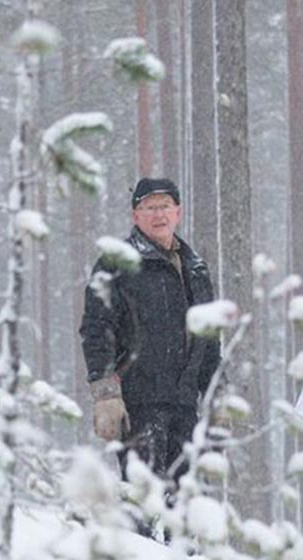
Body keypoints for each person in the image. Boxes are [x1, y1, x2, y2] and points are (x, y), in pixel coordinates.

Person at [80, 178, 218, 487]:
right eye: (149, 207)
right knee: (144, 502)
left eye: (165, 206)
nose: (159, 215)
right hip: (138, 404)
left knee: (183, 506)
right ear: (135, 215)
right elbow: (96, 329)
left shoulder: (195, 267)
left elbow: (208, 339)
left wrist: (216, 395)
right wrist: (105, 394)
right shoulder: (116, 264)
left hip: (185, 405)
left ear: (178, 212)